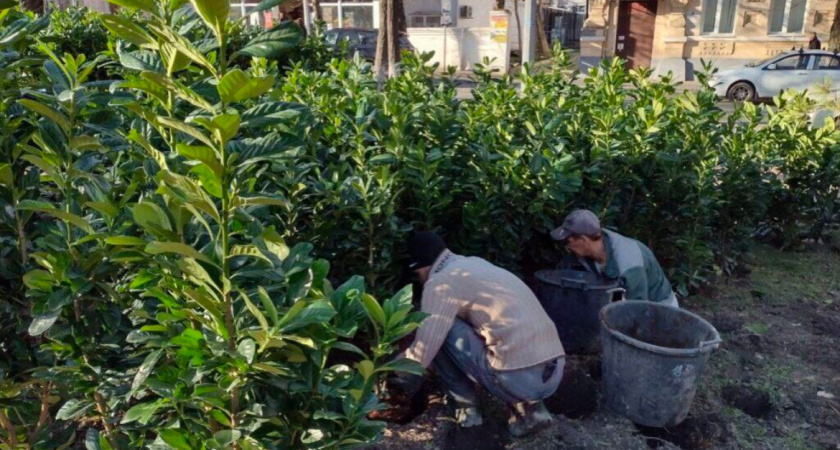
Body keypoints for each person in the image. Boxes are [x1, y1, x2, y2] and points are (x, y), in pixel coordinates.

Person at [396, 231, 565, 437]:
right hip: (554, 371)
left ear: (419, 265)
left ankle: (466, 409)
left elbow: (423, 353)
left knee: (440, 327)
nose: (419, 280)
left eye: (416, 274)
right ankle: (532, 411)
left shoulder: (440, 283)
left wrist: (388, 373)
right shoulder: (476, 265)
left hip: (517, 379)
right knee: (498, 337)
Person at [551, 209, 679, 307]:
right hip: (621, 302)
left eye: (568, 241)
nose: (567, 246)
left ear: (583, 240)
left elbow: (638, 309)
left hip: (659, 310)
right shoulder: (582, 252)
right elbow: (559, 275)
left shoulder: (629, 262)